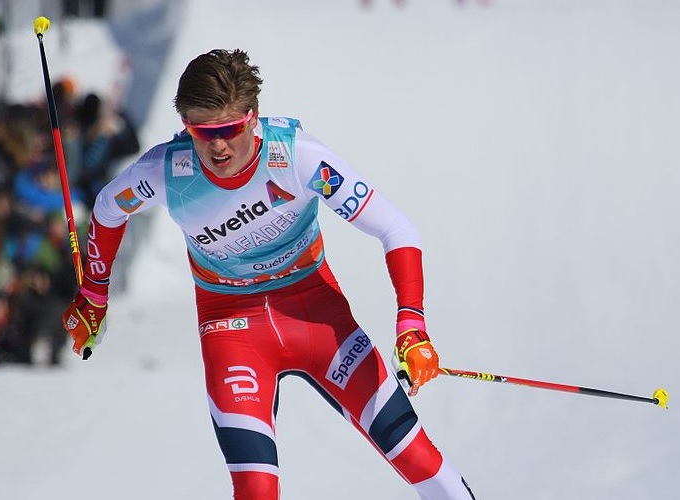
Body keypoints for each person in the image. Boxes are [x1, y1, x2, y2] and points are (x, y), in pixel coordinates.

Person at [62, 49, 476, 499]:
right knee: (256, 490)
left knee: (421, 462)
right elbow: (108, 208)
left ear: (252, 117)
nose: (217, 147)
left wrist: (412, 325)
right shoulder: (168, 171)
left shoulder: (297, 158)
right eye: (202, 133)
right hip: (231, 324)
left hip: (314, 312)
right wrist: (94, 296)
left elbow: (396, 229)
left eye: (229, 130)